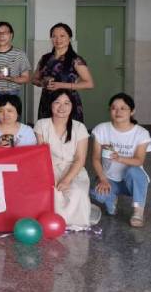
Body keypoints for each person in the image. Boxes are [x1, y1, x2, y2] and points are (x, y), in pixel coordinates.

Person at [34, 89, 94, 229]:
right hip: (48, 169)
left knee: (77, 192)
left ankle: (72, 224)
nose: (62, 107)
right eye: (57, 102)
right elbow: (41, 155)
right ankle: (54, 223)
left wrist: (66, 180)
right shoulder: (42, 125)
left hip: (73, 170)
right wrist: (52, 178)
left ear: (72, 106)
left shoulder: (79, 127)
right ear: (51, 105)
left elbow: (80, 159)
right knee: (53, 192)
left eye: (67, 103)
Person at [90, 93, 149, 228]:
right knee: (97, 194)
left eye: (123, 108)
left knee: (134, 171)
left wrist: (119, 158)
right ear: (109, 110)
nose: (118, 111)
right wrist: (103, 179)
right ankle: (112, 198)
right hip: (109, 179)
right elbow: (95, 158)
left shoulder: (141, 133)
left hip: (131, 181)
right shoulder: (101, 129)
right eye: (114, 108)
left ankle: (138, 211)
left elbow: (139, 161)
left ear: (132, 111)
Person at [33, 22, 94, 123]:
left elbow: (89, 84)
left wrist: (60, 85)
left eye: (62, 36)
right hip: (47, 101)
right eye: (54, 36)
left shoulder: (76, 60)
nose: (58, 39)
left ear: (69, 38)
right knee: (46, 130)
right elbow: (34, 79)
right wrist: (42, 83)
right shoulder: (45, 58)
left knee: (69, 131)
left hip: (67, 102)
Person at [0, 21, 32, 126]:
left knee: (14, 126)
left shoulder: (19, 54)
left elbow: (26, 78)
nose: (2, 35)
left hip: (13, 94)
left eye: (5, 32)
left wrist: (10, 78)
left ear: (11, 35)